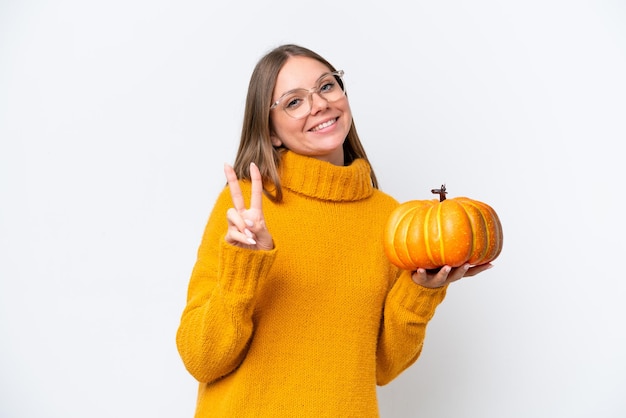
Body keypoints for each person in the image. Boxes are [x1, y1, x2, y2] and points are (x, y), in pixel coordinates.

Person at [175, 44, 493, 418]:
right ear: (271, 132)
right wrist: (244, 266)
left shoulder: (390, 217)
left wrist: (421, 292)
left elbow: (381, 368)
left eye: (327, 86)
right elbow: (203, 359)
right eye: (293, 102)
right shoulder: (245, 209)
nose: (319, 104)